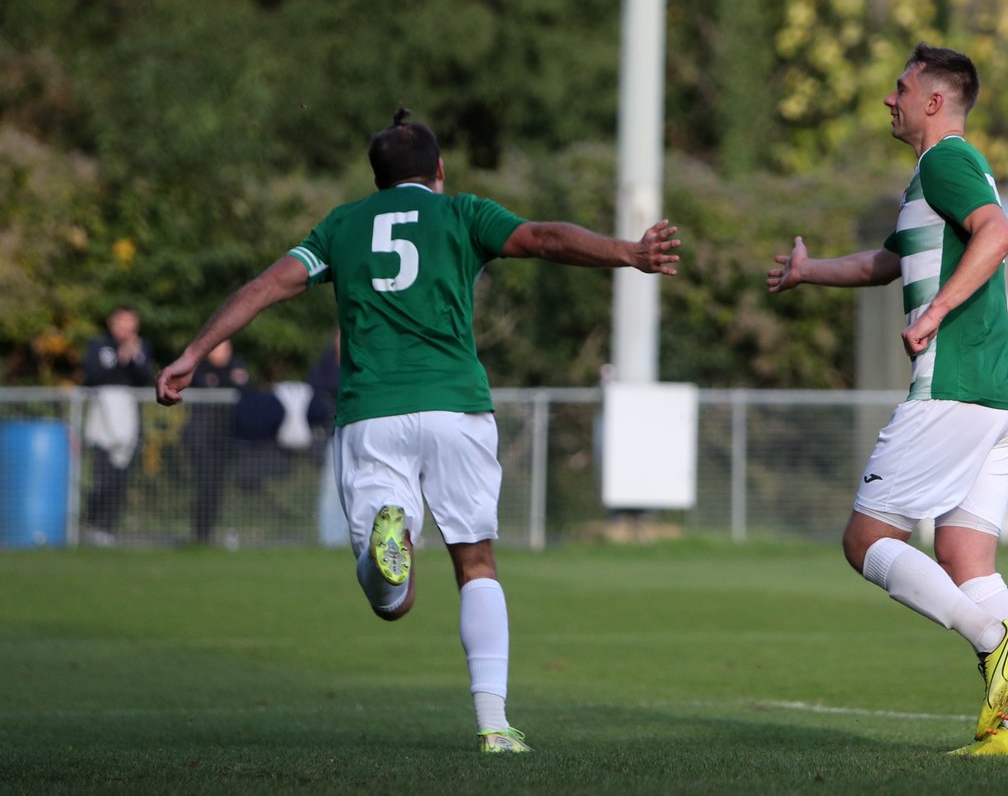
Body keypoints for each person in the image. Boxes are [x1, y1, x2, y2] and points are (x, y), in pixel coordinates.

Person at [157, 108, 681, 753]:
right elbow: (545, 237)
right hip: (455, 406)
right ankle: (494, 726)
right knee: (478, 563)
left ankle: (391, 542)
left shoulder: (343, 225)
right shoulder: (462, 213)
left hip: (372, 411)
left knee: (391, 603)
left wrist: (191, 351)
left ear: (376, 178)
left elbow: (268, 285)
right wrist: (627, 253)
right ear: (439, 170)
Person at [767, 44, 1008, 756]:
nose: (889, 98)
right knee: (963, 553)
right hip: (1001, 396)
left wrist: (934, 313)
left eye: (901, 86)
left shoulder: (945, 161)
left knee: (866, 540)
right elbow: (885, 261)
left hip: (954, 386)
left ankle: (994, 637)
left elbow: (999, 233)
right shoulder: (937, 175)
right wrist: (807, 272)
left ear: (932, 101)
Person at [83, 305, 153, 545]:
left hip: (128, 415)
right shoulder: (99, 346)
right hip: (103, 414)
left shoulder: (141, 348)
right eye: (122, 321)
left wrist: (132, 358)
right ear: (112, 323)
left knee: (121, 476)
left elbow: (144, 377)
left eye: (131, 322)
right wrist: (119, 358)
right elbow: (93, 376)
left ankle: (108, 529)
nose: (126, 327)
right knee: (102, 476)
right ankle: (91, 523)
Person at [184, 339, 250, 544]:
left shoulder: (235, 365)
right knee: (204, 486)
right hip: (203, 440)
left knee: (216, 488)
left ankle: (208, 532)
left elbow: (245, 386)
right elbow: (211, 384)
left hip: (224, 440)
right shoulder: (201, 369)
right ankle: (200, 533)